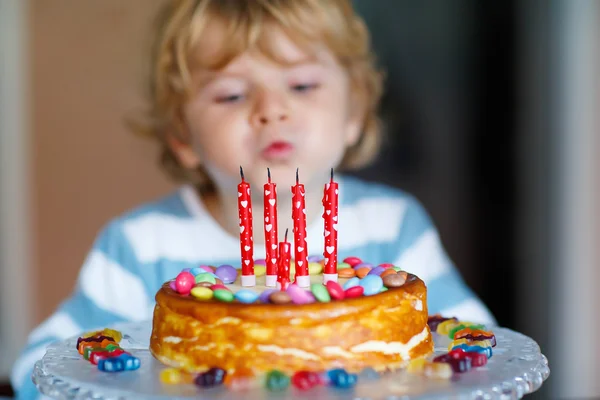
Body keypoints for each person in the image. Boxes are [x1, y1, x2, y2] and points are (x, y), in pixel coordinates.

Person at [11, 1, 495, 397]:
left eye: (302, 85)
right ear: (182, 133)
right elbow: (40, 370)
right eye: (231, 95)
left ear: (356, 111)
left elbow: (476, 350)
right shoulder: (138, 246)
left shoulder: (393, 228)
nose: (271, 110)